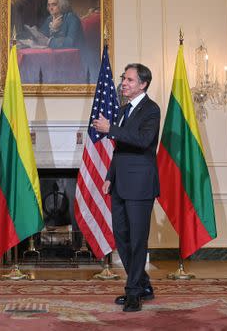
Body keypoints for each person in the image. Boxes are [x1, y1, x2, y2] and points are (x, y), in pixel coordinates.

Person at [92, 63, 161, 313]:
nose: (124, 83)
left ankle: (133, 293)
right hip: (119, 184)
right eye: (124, 79)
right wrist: (110, 175)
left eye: (130, 80)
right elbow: (120, 148)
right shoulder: (123, 110)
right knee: (122, 238)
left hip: (140, 185)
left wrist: (111, 128)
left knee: (137, 240)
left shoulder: (151, 110)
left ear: (143, 84)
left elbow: (144, 141)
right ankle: (143, 283)